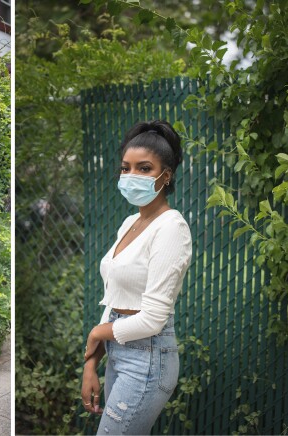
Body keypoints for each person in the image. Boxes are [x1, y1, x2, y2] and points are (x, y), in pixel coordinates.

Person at [81, 120, 193, 434]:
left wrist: (96, 334)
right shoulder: (130, 222)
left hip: (148, 358)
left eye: (144, 169)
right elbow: (115, 299)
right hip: (119, 353)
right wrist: (92, 361)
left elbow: (153, 319)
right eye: (126, 168)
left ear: (165, 176)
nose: (132, 176)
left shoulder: (171, 227)